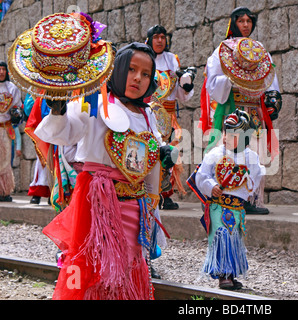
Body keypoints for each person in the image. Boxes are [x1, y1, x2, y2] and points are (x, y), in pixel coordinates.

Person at [9, 12, 174, 300]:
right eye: (133, 69)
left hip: (136, 205)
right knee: (94, 267)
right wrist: (58, 109)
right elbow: (66, 134)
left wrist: (156, 191)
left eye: (146, 74)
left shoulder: (148, 115)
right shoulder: (93, 102)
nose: (138, 78)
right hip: (98, 201)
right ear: (119, 69)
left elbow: (151, 166)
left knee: (130, 265)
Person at [200, 7, 282, 215]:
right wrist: (232, 78)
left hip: (255, 108)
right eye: (241, 21)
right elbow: (213, 81)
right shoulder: (223, 49)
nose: (245, 25)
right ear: (233, 23)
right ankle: (229, 194)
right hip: (232, 107)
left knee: (255, 154)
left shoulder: (259, 48)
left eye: (248, 21)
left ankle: (253, 199)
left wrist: (273, 96)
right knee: (230, 153)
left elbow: (269, 76)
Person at [192, 109, 264, 290]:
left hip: (237, 208)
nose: (226, 137)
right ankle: (223, 275)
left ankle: (231, 273)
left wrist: (246, 182)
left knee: (234, 239)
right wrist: (211, 186)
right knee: (221, 237)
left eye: (234, 134)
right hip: (218, 205)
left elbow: (254, 179)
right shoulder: (214, 154)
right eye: (226, 133)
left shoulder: (251, 158)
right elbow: (201, 176)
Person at [144, 24, 196, 210]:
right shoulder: (144, 58)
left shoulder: (173, 60)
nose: (159, 40)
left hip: (170, 115)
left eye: (162, 37)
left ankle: (166, 193)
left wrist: (187, 86)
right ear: (149, 39)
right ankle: (149, 190)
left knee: (170, 154)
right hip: (149, 114)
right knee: (150, 151)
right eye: (156, 37)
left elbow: (181, 95)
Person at [0, 60, 21, 202]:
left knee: (6, 160)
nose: (1, 72)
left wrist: (16, 114)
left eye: (3, 69)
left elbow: (17, 108)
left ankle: (4, 191)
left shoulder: (12, 88)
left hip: (5, 129)